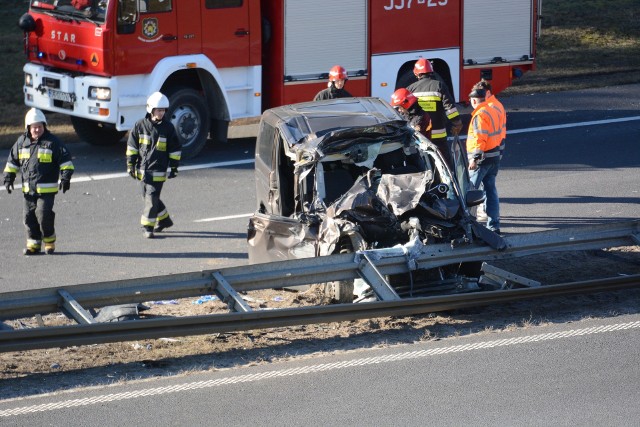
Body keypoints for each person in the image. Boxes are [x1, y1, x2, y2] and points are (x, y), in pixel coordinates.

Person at [3, 108, 74, 255]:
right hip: (28, 190)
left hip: (46, 191)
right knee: (28, 217)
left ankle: (49, 241)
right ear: (28, 127)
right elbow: (12, 162)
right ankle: (33, 245)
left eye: (39, 126)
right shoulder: (21, 142)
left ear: (44, 126)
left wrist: (65, 178)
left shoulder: (53, 143)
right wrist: (9, 178)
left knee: (43, 214)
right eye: (34, 127)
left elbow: (66, 162)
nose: (37, 129)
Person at [126, 91, 181, 238]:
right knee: (149, 197)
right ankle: (164, 220)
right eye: (159, 110)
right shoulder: (139, 126)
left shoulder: (168, 128)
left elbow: (175, 150)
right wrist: (130, 165)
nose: (161, 113)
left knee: (150, 198)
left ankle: (147, 227)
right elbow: (132, 147)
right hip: (142, 171)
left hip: (158, 171)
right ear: (151, 109)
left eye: (163, 110)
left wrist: (174, 167)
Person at [406, 58, 463, 167]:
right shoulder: (439, 86)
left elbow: (406, 113)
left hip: (420, 135)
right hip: (439, 134)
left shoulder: (410, 89)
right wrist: (457, 123)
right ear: (431, 72)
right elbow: (449, 108)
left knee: (423, 163)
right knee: (445, 164)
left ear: (417, 74)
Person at [466, 88, 503, 234]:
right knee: (490, 191)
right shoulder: (492, 110)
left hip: (482, 160)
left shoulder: (480, 115)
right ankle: (494, 225)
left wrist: (474, 158)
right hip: (494, 157)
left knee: (469, 193)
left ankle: (466, 226)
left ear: (474, 100)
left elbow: (479, 138)